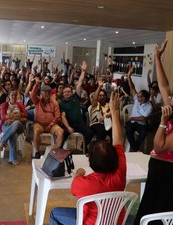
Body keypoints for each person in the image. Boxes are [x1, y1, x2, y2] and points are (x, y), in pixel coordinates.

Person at [50, 92, 127, 225]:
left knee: (54, 213)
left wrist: (78, 175)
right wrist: (115, 112)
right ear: (114, 157)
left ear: (91, 163)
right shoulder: (120, 173)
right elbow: (118, 140)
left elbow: (74, 189)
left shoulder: (84, 182)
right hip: (116, 222)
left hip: (90, 222)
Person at [133, 41, 173, 225]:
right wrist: (157, 59)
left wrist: (163, 123)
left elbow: (159, 146)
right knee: (146, 210)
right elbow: (164, 87)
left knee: (158, 216)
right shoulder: (172, 113)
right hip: (157, 168)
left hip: (169, 173)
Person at [59, 61, 93, 153]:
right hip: (69, 125)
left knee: (90, 132)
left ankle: (84, 147)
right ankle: (60, 152)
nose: (67, 93)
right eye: (65, 92)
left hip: (79, 124)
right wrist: (68, 127)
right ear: (63, 94)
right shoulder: (62, 103)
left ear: (72, 92)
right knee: (62, 134)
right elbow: (63, 117)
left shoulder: (76, 97)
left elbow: (80, 83)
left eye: (68, 91)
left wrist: (83, 71)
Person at [31, 78, 64, 159]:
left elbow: (57, 116)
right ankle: (37, 152)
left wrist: (51, 124)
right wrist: (36, 85)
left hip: (51, 125)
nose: (47, 94)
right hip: (40, 124)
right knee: (36, 131)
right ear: (41, 93)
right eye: (45, 92)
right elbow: (32, 95)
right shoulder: (37, 100)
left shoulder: (54, 102)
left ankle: (54, 151)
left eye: (48, 92)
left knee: (61, 131)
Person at [125, 66, 152, 152]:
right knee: (128, 130)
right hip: (132, 122)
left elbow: (143, 118)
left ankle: (134, 147)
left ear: (144, 98)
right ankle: (135, 147)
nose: (137, 97)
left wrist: (132, 117)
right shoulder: (137, 99)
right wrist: (129, 76)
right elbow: (132, 88)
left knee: (143, 133)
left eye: (139, 96)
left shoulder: (149, 107)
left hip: (141, 124)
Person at [0, 91, 27, 165]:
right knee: (12, 134)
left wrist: (15, 118)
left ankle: (3, 141)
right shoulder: (4, 105)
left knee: (16, 123)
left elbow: (26, 115)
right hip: (6, 125)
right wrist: (13, 115)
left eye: (15, 95)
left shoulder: (19, 104)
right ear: (9, 97)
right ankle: (13, 159)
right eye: (12, 95)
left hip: (19, 125)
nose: (14, 97)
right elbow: (3, 116)